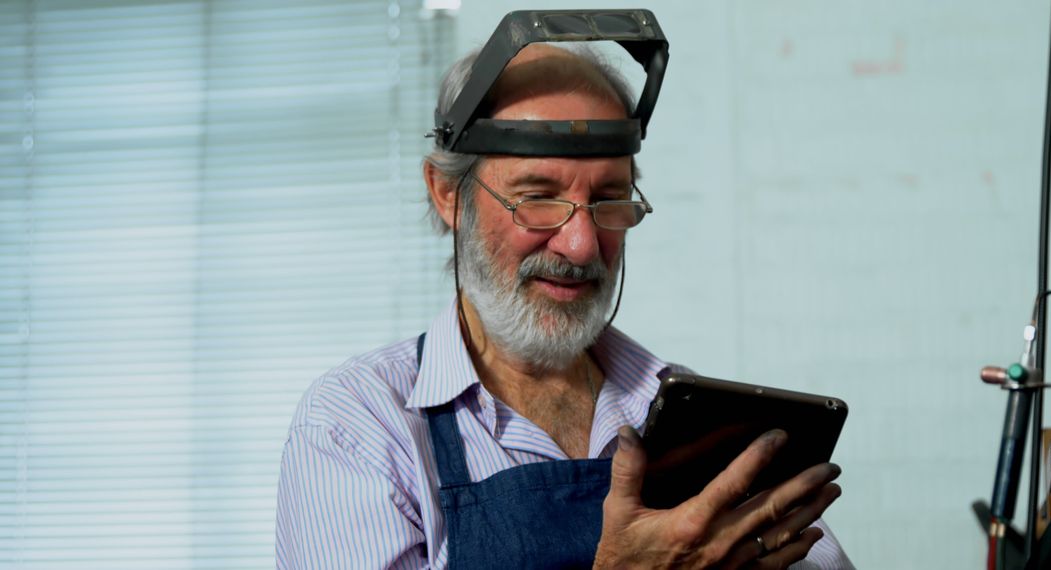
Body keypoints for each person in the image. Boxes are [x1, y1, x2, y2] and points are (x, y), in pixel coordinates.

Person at [276, 27, 854, 570]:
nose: (581, 246)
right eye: (538, 197)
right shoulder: (360, 426)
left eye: (609, 198)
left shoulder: (694, 416)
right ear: (448, 193)